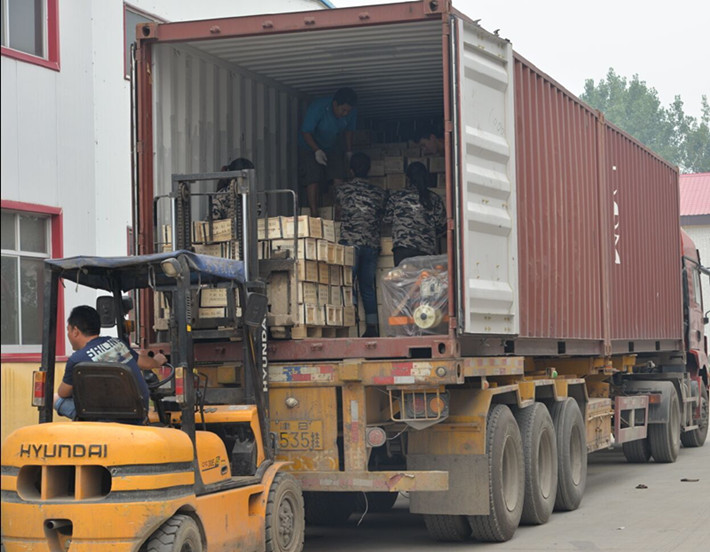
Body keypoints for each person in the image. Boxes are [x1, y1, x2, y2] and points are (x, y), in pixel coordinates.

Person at [54, 305, 165, 421]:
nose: (68, 335)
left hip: (101, 419)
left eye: (68, 330)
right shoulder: (118, 344)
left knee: (55, 398)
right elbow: (144, 363)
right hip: (138, 415)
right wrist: (157, 361)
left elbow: (63, 393)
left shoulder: (76, 359)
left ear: (75, 331)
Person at [335, 152, 388, 338]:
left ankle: (352, 319)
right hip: (371, 244)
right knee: (367, 287)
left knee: (348, 283)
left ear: (351, 170)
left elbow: (338, 212)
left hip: (350, 243)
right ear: (369, 170)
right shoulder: (379, 193)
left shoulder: (343, 190)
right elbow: (383, 216)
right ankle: (372, 326)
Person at [298, 87, 358, 217]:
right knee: (312, 176)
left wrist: (349, 151)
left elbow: (349, 131)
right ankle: (314, 214)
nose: (345, 113)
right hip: (310, 145)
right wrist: (317, 150)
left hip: (332, 144)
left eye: (348, 111)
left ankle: (338, 212)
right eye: (343, 110)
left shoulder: (352, 112)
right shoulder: (318, 107)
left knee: (338, 174)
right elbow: (306, 131)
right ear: (335, 104)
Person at [384, 162, 446, 266]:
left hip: (402, 248)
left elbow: (387, 220)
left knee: (403, 276)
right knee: (424, 276)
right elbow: (441, 225)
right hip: (426, 249)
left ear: (407, 178)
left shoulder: (396, 197)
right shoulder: (434, 198)